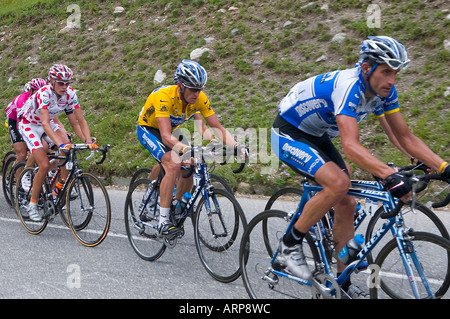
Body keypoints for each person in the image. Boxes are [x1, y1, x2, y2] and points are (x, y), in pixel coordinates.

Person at [271, 36, 449, 298]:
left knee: (347, 202)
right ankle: (290, 244)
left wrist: (443, 167)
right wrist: (388, 174)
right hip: (288, 132)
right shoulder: (349, 86)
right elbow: (351, 146)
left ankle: (341, 283)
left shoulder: (384, 91)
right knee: (339, 183)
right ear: (367, 68)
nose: (392, 79)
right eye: (386, 71)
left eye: (396, 73)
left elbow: (405, 136)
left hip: (317, 135)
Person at [137, 59, 246, 236]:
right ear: (180, 86)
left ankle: (178, 204)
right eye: (193, 89)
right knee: (172, 163)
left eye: (200, 89)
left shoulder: (198, 99)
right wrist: (185, 150)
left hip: (172, 130)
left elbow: (215, 127)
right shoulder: (164, 97)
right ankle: (163, 221)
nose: (197, 93)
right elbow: (164, 136)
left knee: (191, 163)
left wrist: (236, 146)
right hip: (149, 129)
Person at [19, 64, 97, 222]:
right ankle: (32, 204)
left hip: (46, 124)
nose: (65, 86)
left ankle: (57, 189)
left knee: (67, 143)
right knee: (45, 164)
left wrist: (88, 141)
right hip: (29, 125)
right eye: (61, 83)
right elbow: (46, 124)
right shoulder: (44, 93)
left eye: (67, 83)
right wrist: (60, 145)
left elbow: (78, 122)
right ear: (51, 81)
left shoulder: (70, 95)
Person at [5, 78, 47, 165]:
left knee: (44, 148)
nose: (40, 95)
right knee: (22, 154)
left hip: (31, 120)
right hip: (15, 119)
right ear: (31, 91)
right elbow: (20, 123)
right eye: (38, 92)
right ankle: (20, 177)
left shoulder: (45, 98)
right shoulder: (22, 100)